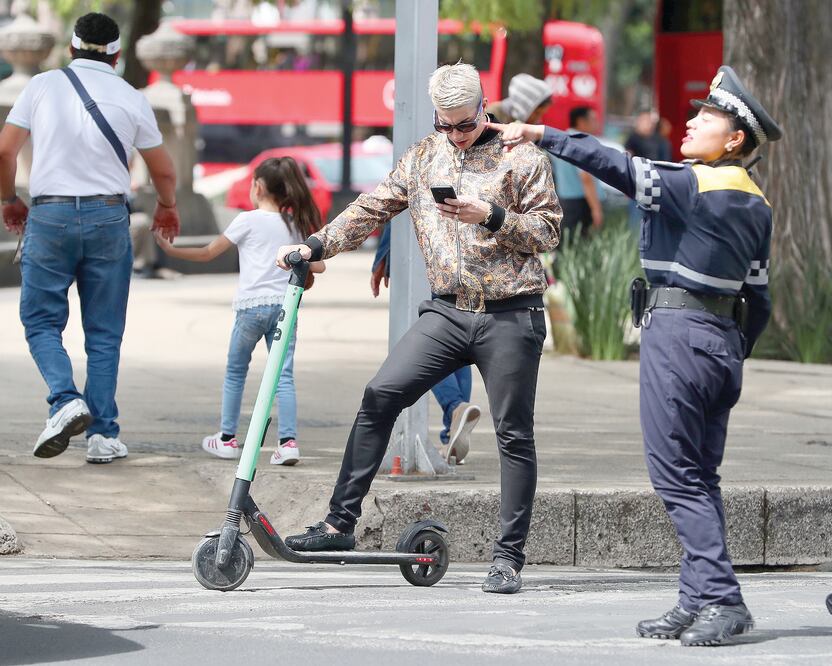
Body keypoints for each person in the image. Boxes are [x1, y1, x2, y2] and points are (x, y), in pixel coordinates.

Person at [491, 65, 782, 643]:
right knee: (701, 477)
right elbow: (760, 296)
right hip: (721, 342)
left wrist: (540, 134)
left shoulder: (693, 184)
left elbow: (616, 166)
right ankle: (696, 598)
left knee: (676, 477)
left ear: (735, 140)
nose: (692, 122)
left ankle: (724, 600)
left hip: (678, 336)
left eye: (708, 117)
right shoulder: (757, 203)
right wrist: (728, 349)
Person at [275, 62, 561, 594]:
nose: (455, 135)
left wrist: (491, 215)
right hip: (448, 311)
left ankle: (508, 558)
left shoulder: (522, 156)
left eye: (465, 124)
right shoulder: (424, 156)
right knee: (381, 394)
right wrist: (315, 246)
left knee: (513, 433)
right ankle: (340, 524)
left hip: (510, 313)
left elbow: (548, 232)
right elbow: (370, 208)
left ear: (483, 109)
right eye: (446, 124)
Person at [0, 12, 180, 464]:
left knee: (42, 322)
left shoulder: (42, 85)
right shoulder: (131, 96)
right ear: (117, 55)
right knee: (103, 334)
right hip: (108, 216)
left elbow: (5, 150)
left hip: (51, 214)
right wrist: (167, 206)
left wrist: (9, 200)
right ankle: (101, 435)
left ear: (71, 48)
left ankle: (64, 401)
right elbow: (163, 169)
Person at [155, 157, 325, 466]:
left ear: (258, 187)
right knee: (282, 376)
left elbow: (208, 253)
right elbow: (320, 265)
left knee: (236, 372)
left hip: (250, 309)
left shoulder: (247, 220)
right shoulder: (296, 224)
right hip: (285, 308)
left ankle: (227, 439)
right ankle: (288, 444)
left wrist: (170, 250)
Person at [370, 222, 481, 464]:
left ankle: (455, 408)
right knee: (459, 336)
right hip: (464, 255)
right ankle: (451, 435)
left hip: (426, 256)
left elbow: (403, 203)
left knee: (430, 344)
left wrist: (384, 254)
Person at [549, 106, 604, 246]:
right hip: (582, 204)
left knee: (566, 246)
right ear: (580, 121)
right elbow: (585, 178)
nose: (596, 123)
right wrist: (596, 209)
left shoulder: (561, 140)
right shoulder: (581, 143)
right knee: (581, 248)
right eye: (593, 119)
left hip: (564, 202)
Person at [488, 73, 553, 125]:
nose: (538, 119)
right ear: (525, 105)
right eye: (537, 113)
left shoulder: (534, 125)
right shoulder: (492, 115)